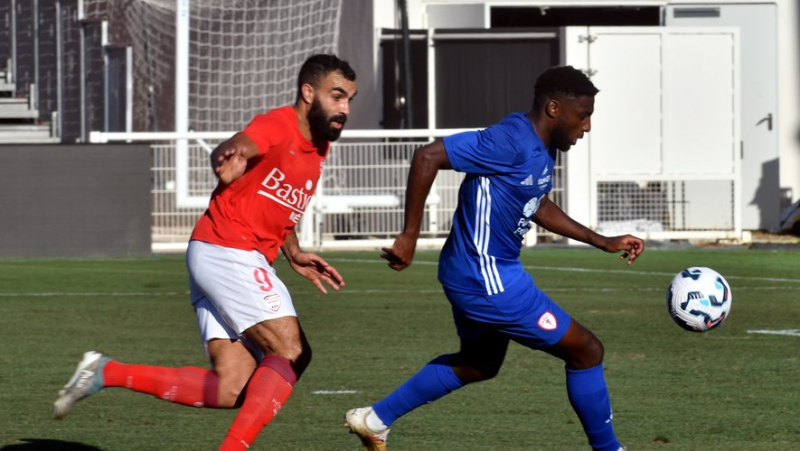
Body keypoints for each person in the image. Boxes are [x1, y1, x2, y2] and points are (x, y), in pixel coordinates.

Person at [53, 54, 358, 450]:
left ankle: (106, 372)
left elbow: (278, 204)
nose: (344, 109)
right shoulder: (279, 124)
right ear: (307, 92)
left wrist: (294, 250)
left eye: (349, 99)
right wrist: (228, 156)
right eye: (337, 96)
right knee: (292, 350)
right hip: (228, 249)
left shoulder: (318, 148)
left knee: (232, 388)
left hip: (218, 253)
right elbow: (239, 145)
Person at [344, 65, 644, 451]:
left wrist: (600, 240)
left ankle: (374, 420)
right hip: (487, 278)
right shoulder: (510, 140)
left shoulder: (539, 149)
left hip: (471, 273)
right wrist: (409, 236)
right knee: (587, 350)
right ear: (554, 108)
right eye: (582, 116)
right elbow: (426, 157)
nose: (586, 127)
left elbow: (535, 203)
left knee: (479, 363)